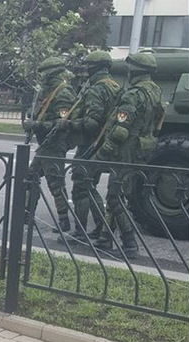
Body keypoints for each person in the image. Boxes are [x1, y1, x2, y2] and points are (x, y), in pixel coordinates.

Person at [92, 51, 165, 259]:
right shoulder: (155, 91)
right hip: (142, 149)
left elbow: (121, 131)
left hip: (126, 151)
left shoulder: (133, 95)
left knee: (115, 196)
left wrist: (101, 153)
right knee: (118, 193)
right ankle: (105, 237)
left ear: (135, 71)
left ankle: (129, 241)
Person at [59, 50, 122, 242]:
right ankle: (101, 226)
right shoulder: (114, 86)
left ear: (93, 68)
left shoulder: (96, 89)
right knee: (89, 185)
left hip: (90, 144)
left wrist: (69, 124)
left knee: (80, 187)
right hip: (103, 144)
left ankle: (80, 232)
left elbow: (92, 122)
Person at [22, 56, 76, 233]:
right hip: (45, 145)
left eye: (46, 76)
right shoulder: (50, 92)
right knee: (30, 178)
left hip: (55, 145)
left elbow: (62, 124)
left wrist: (37, 125)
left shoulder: (64, 94)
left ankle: (64, 221)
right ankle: (26, 215)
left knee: (55, 184)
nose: (43, 79)